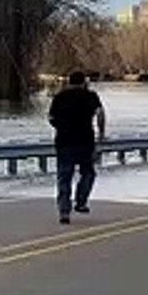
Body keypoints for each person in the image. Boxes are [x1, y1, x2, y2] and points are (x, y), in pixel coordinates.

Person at [48, 71, 106, 224]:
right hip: (85, 142)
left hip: (64, 142)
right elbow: (100, 113)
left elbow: (51, 118)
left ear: (69, 82)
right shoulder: (91, 96)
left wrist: (59, 126)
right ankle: (81, 202)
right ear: (83, 82)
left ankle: (64, 212)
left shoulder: (59, 97)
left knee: (64, 177)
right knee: (88, 173)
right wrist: (101, 134)